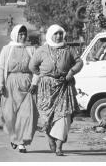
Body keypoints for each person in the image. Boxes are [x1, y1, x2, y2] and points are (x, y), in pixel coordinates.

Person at [29, 24, 83, 156]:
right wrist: (44, 76)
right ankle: (50, 138)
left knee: (64, 116)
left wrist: (71, 71)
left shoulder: (68, 49)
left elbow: (79, 62)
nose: (59, 36)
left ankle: (59, 146)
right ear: (50, 35)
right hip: (46, 88)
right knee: (47, 118)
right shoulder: (41, 50)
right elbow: (32, 66)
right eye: (56, 34)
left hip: (64, 86)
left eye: (60, 33)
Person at [0, 24, 38, 153]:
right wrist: (0, 84)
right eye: (20, 34)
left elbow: (37, 68)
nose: (23, 36)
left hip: (27, 85)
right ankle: (14, 137)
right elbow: (1, 67)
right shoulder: (6, 49)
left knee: (26, 115)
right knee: (10, 115)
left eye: (25, 34)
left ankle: (21, 142)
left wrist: (34, 83)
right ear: (15, 34)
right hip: (10, 85)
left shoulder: (31, 49)